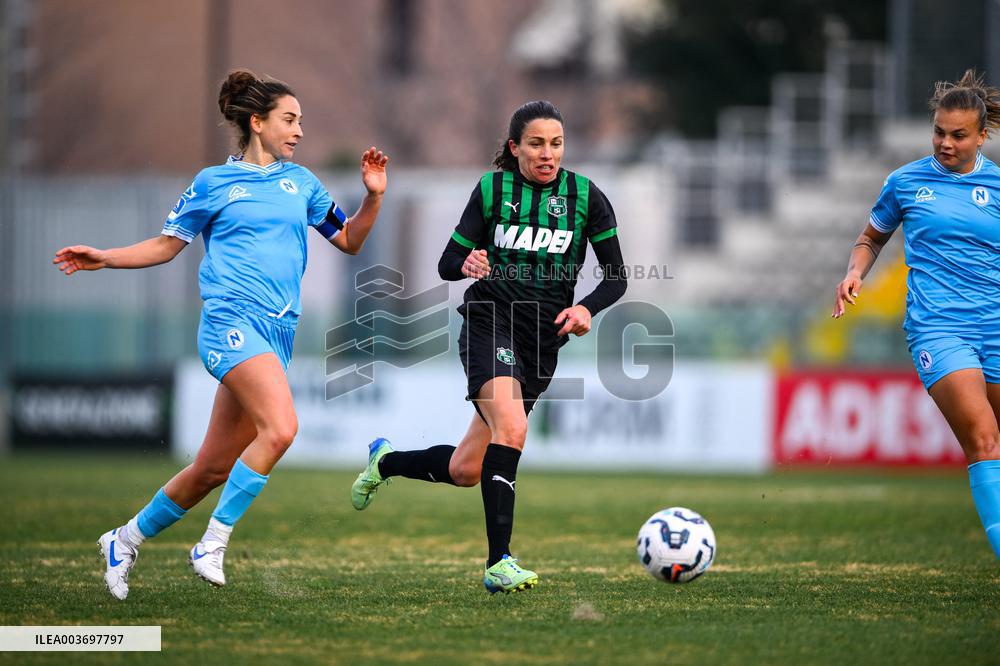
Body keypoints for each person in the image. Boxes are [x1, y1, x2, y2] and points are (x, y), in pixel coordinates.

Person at [53, 69, 389, 599]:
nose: (299, 131)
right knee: (280, 429)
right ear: (257, 122)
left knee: (211, 468)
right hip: (229, 323)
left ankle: (124, 539)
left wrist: (373, 198)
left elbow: (348, 240)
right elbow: (167, 245)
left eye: (301, 121)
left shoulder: (302, 183)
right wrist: (105, 258)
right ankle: (212, 542)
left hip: (277, 332)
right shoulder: (213, 183)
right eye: (289, 119)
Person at [350, 101, 628, 593]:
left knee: (465, 470)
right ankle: (499, 562)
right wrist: (467, 264)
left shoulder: (586, 196)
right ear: (515, 147)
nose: (548, 153)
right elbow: (447, 262)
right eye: (537, 144)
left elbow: (616, 277)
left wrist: (586, 308)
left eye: (556, 143)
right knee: (513, 428)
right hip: (490, 321)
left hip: (543, 339)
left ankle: (384, 461)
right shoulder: (492, 190)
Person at [833, 69, 1000, 559]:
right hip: (939, 328)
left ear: (982, 136)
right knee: (984, 440)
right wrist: (854, 273)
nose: (945, 143)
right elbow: (871, 238)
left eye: (958, 135)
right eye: (939, 132)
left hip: (995, 324)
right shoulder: (906, 181)